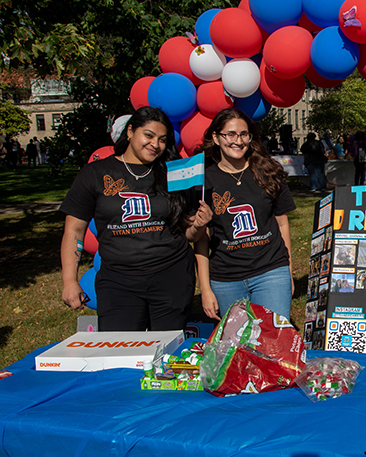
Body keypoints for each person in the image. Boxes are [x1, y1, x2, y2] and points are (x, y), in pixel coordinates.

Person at [59, 106, 212, 331]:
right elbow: (74, 230)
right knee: (121, 353)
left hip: (172, 276)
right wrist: (69, 281)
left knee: (167, 352)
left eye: (162, 139)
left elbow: (187, 233)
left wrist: (198, 225)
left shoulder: (172, 173)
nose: (155, 144)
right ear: (130, 131)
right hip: (118, 281)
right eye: (148, 135)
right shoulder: (95, 173)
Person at [195, 108, 296, 320]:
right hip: (226, 278)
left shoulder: (268, 171)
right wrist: (205, 289)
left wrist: (287, 271)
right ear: (215, 137)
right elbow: (201, 240)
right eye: (230, 134)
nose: (238, 141)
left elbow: (282, 224)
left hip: (271, 272)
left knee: (272, 344)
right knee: (237, 348)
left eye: (244, 134)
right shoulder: (203, 181)